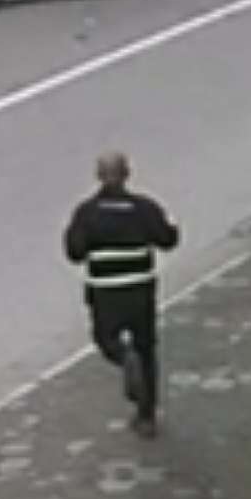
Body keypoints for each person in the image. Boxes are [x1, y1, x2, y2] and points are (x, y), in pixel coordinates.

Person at [64, 152, 181, 438]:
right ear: (127, 174)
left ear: (99, 176)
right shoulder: (143, 208)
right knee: (146, 348)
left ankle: (123, 356)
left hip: (105, 292)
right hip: (140, 290)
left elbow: (75, 252)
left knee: (106, 339)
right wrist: (170, 229)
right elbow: (167, 240)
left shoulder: (87, 212)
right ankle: (146, 417)